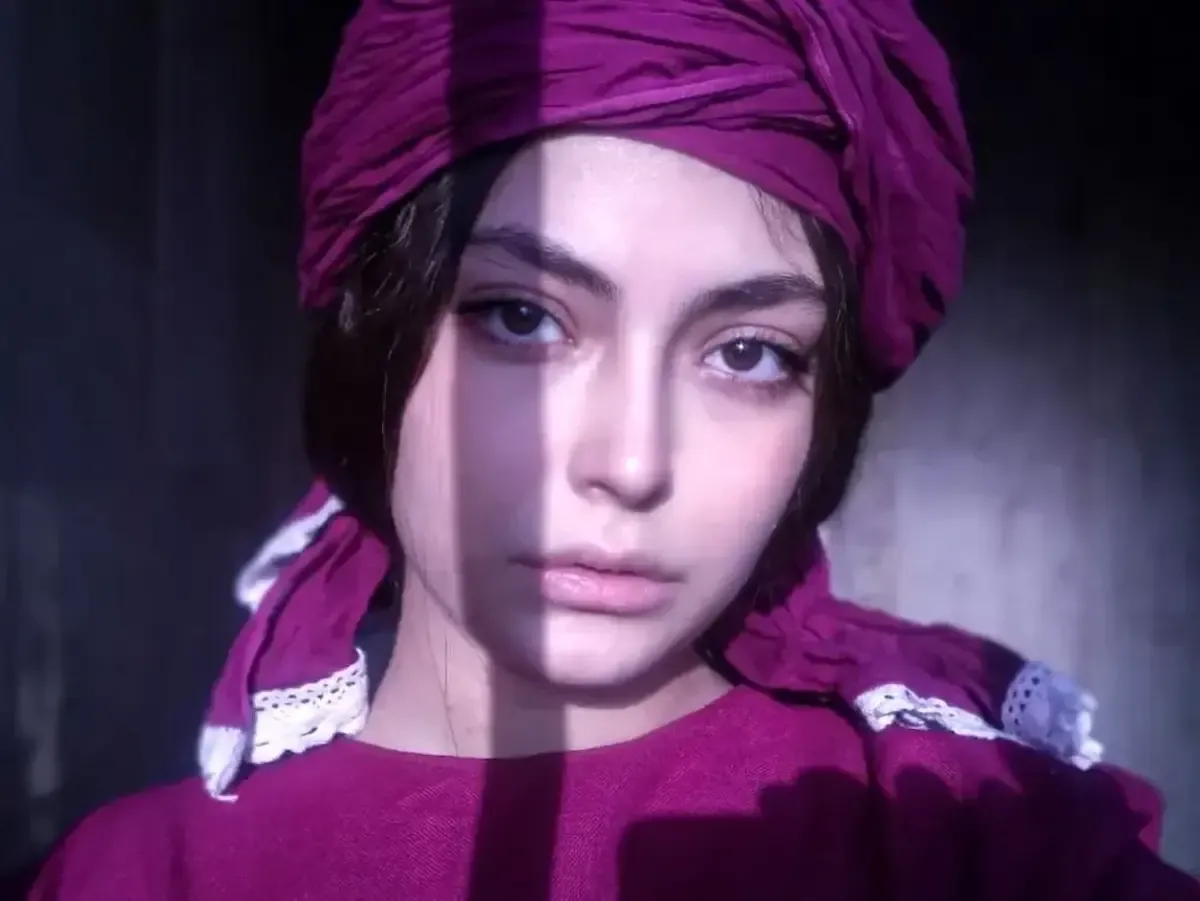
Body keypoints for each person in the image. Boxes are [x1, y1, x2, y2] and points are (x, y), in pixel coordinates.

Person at [29, 0, 1200, 898]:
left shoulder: (976, 840)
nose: (631, 465)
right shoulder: (143, 877)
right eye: (521, 318)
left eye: (748, 352)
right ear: (374, 330)